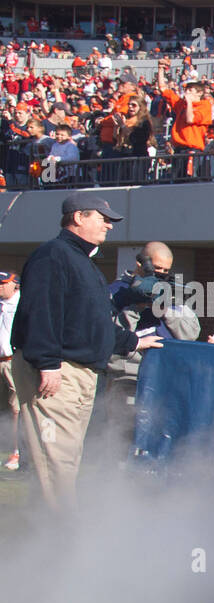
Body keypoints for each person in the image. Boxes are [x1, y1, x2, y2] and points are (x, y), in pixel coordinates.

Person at [9, 196, 161, 511]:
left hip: (78, 370)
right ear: (79, 217)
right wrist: (47, 363)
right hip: (57, 370)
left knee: (65, 457)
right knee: (56, 460)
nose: (108, 225)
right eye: (103, 218)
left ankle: (47, 535)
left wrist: (132, 342)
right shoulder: (53, 255)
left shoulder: (82, 262)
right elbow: (41, 312)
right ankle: (60, 538)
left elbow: (91, 322)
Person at [0, 271, 20, 470]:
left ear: (15, 285)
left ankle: (17, 452)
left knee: (16, 409)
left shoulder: (22, 304)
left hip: (13, 360)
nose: (0, 287)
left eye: (3, 283)